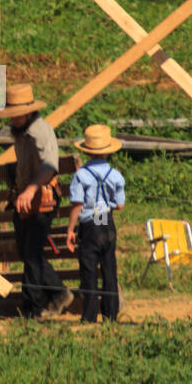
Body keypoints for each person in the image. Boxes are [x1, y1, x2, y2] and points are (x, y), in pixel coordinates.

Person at [0, 83, 72, 318]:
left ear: (28, 112)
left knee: (31, 252)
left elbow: (50, 167)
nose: (12, 120)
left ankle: (32, 308)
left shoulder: (41, 131)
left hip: (42, 199)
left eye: (15, 115)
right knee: (27, 251)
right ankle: (59, 293)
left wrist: (30, 189)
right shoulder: (21, 133)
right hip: (26, 200)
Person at [66, 124, 126, 324]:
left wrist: (70, 230)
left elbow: (77, 205)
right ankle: (111, 315)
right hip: (106, 221)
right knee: (109, 269)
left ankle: (89, 315)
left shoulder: (81, 175)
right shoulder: (116, 175)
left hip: (90, 224)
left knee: (89, 271)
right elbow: (120, 205)